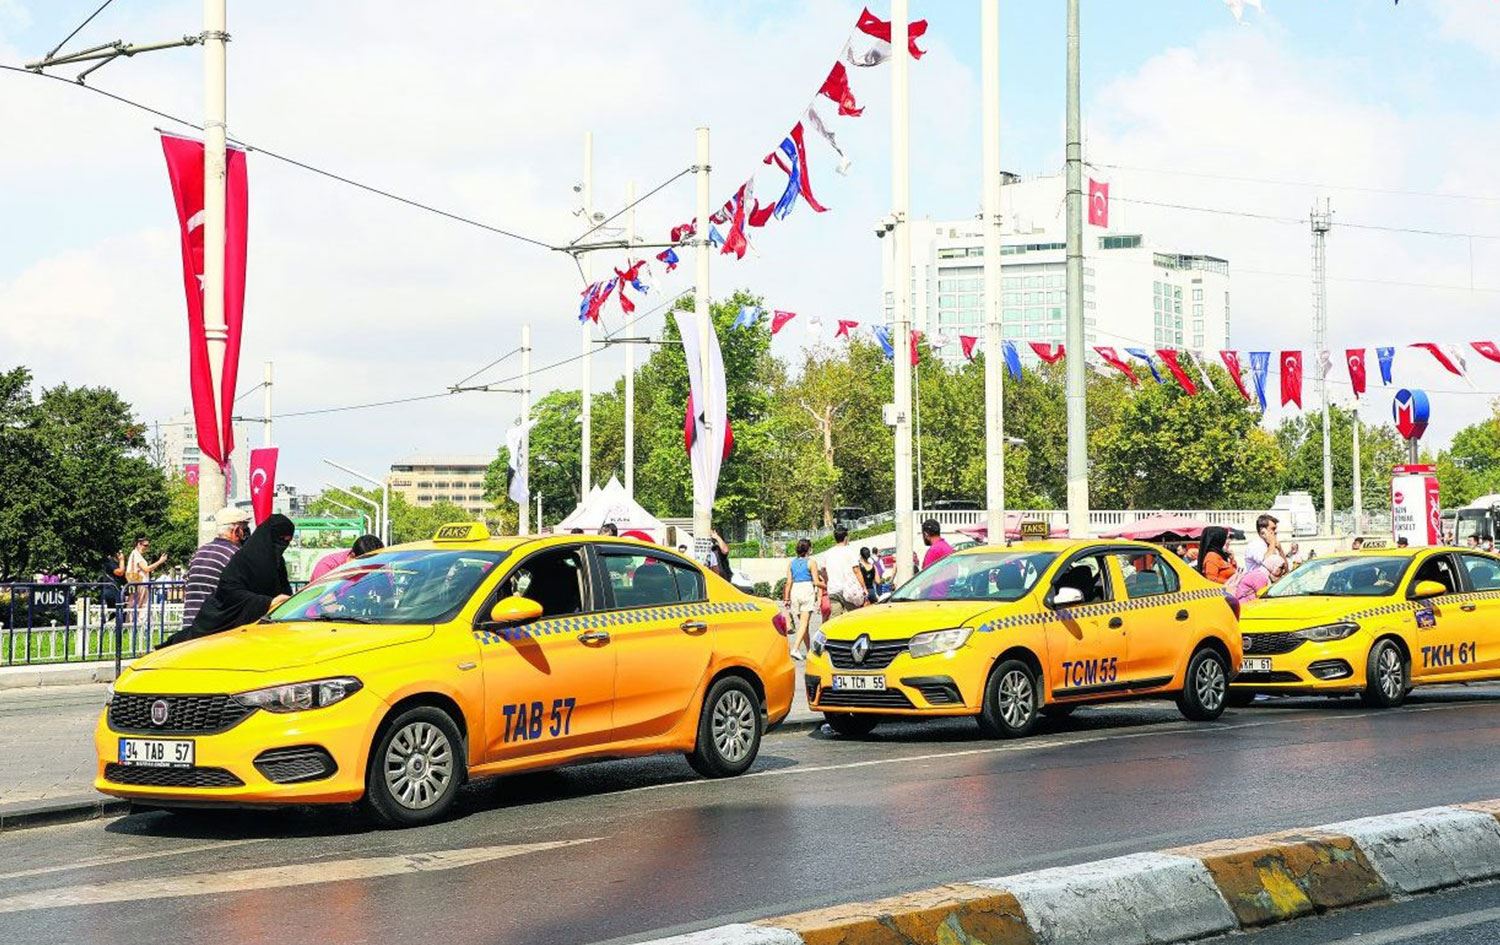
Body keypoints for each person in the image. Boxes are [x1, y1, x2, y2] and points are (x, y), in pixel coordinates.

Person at [164, 514, 295, 645]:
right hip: (221, 627)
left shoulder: (201, 552)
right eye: (281, 539)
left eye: (287, 541)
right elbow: (229, 592)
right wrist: (267, 602)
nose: (283, 545)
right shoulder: (240, 557)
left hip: (258, 633)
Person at [182, 506, 253, 628]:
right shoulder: (235, 555)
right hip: (215, 630)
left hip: (190, 626)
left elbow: (187, 588)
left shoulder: (199, 553)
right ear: (236, 530)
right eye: (245, 528)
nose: (247, 533)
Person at [783, 538, 824, 660]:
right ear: (808, 549)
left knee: (803, 625)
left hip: (795, 591)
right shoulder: (811, 562)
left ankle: (809, 651)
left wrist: (786, 598)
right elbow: (816, 582)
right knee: (804, 624)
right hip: (806, 589)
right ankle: (795, 648)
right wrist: (827, 586)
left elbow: (788, 582)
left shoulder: (792, 563)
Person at [821, 526, 867, 616]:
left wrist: (828, 582)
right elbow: (857, 570)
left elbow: (823, 571)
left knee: (835, 617)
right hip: (848, 590)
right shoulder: (849, 552)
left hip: (833, 590)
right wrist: (863, 587)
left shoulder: (827, 554)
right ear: (846, 538)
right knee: (853, 616)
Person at [309, 533, 385, 583]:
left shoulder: (377, 565)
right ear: (352, 555)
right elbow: (325, 602)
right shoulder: (326, 566)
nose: (367, 570)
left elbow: (386, 592)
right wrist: (341, 577)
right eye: (364, 565)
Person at [124, 535, 168, 610]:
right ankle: (134, 621)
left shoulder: (135, 554)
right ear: (138, 544)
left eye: (148, 546)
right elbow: (146, 569)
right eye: (145, 545)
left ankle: (132, 620)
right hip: (139, 584)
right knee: (140, 608)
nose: (147, 548)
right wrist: (160, 561)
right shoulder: (136, 554)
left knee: (136, 607)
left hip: (136, 583)